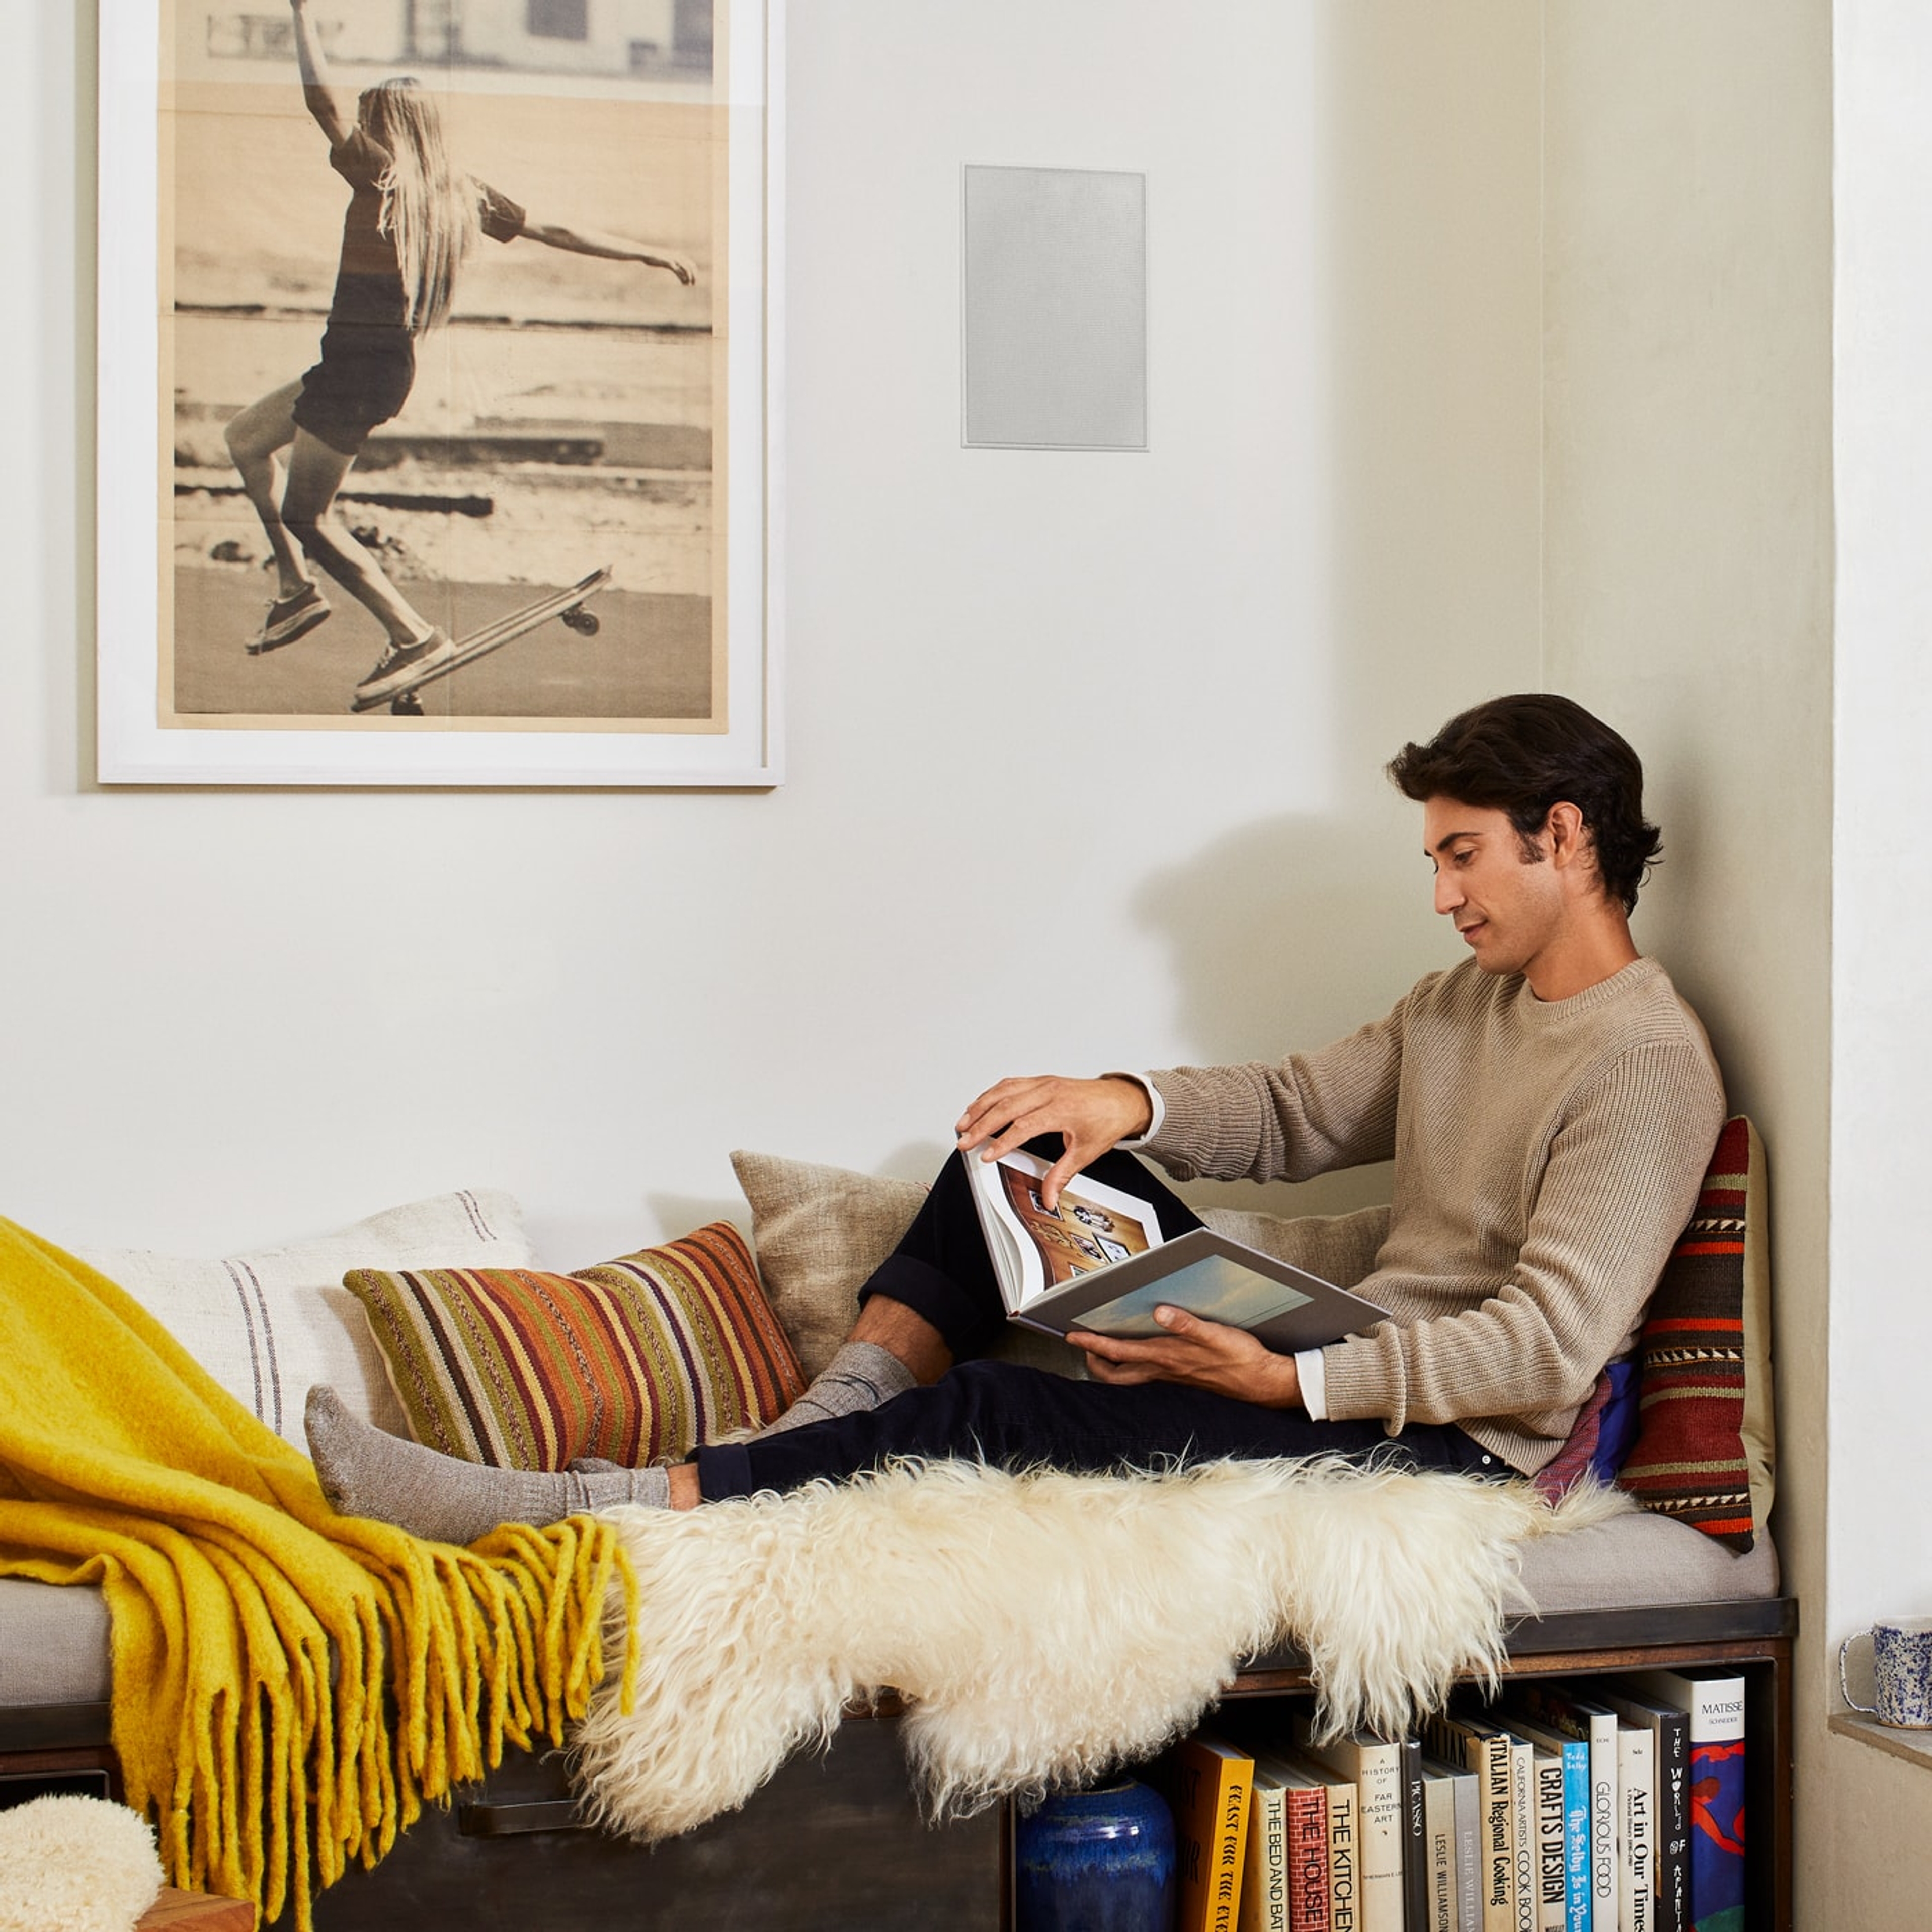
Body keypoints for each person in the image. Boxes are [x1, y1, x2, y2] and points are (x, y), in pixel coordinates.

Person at [306, 693, 1727, 1543]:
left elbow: (1548, 1346)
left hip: (1452, 1440)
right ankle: (825, 1419)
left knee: (987, 1407)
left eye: (1462, 855)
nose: (1443, 893)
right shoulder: (1464, 1003)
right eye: (1436, 859)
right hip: (1334, 1350)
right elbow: (1297, 1112)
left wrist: (1282, 1385)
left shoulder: (1644, 1062)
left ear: (1564, 836)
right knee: (1016, 1154)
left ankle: (600, 1507)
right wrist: (1121, 1102)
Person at [224, 0, 697, 705]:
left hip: (357, 372)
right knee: (244, 439)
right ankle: (295, 588)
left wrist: (302, 12)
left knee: (307, 517)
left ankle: (413, 635)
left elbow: (321, 104)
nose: (357, 126)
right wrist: (647, 251)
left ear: (389, 127)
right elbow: (557, 230)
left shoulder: (382, 178)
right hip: (364, 365)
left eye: (368, 117)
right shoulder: (461, 194)